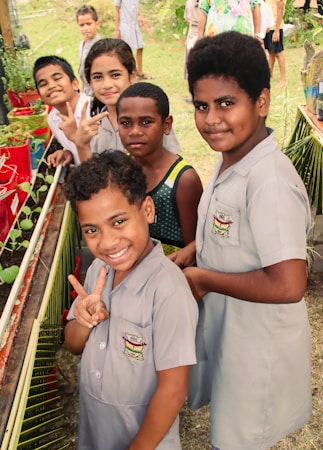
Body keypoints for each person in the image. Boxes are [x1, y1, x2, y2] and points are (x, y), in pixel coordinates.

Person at [172, 31, 312, 449]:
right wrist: (197, 249)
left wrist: (202, 279)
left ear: (262, 102)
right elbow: (237, 230)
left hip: (259, 345)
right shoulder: (233, 158)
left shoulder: (268, 180)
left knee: (241, 437)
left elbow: (289, 284)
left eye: (226, 104)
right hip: (234, 333)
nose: (211, 118)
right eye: (201, 106)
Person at [63, 150, 198, 449]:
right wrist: (84, 320)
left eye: (119, 221)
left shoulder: (168, 291)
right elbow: (73, 344)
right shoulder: (99, 271)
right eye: (92, 230)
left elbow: (173, 390)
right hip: (96, 428)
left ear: (147, 210)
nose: (108, 242)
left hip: (144, 440)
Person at [116, 82, 203, 254]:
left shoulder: (183, 180)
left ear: (166, 125)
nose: (134, 131)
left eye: (146, 122)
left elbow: (195, 249)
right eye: (125, 123)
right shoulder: (119, 172)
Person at [73, 38, 182, 162]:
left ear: (132, 76)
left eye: (115, 75)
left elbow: (171, 164)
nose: (107, 84)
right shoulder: (94, 126)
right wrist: (81, 145)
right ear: (90, 82)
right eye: (98, 77)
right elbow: (92, 176)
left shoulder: (149, 116)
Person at [33, 55, 90, 167]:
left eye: (57, 78)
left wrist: (75, 136)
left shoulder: (92, 110)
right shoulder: (53, 118)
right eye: (43, 84)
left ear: (74, 83)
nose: (51, 86)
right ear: (39, 96)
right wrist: (68, 153)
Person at [114, 0, 151, 80]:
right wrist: (117, 29)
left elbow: (136, 7)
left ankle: (140, 72)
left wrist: (140, 16)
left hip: (135, 25)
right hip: (125, 26)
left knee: (140, 47)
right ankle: (129, 73)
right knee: (127, 51)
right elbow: (116, 10)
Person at [76, 4, 100, 95]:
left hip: (96, 91)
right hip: (86, 89)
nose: (85, 28)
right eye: (82, 25)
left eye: (89, 24)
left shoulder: (98, 46)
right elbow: (83, 69)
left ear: (96, 24)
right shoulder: (82, 44)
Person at [264, 0, 287, 87]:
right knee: (271, 52)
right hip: (269, 27)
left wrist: (277, 31)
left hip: (275, 27)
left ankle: (283, 79)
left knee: (278, 52)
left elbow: (280, 11)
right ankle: (270, 75)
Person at [183, 0, 199, 103]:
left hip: (199, 30)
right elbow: (187, 19)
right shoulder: (190, 2)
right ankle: (190, 93)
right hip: (192, 31)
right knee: (190, 63)